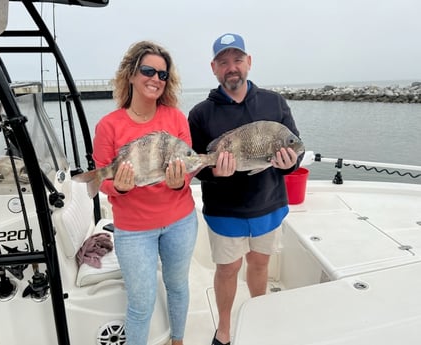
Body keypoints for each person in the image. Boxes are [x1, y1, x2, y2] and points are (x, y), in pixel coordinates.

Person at [188, 33, 302, 345]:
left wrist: (289, 163)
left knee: (260, 263)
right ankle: (224, 329)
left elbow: (297, 149)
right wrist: (216, 172)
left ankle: (258, 313)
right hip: (225, 212)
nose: (232, 67)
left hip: (269, 204)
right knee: (227, 270)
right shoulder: (200, 113)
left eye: (237, 60)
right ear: (214, 68)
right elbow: (198, 165)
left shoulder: (274, 102)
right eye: (223, 62)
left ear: (249, 62)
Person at [92, 40, 198, 345]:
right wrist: (119, 187)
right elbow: (103, 179)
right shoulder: (108, 126)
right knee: (141, 303)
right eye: (148, 71)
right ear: (131, 74)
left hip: (180, 221)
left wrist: (181, 180)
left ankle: (177, 340)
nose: (155, 79)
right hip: (134, 230)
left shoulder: (176, 118)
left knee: (177, 286)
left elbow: (187, 168)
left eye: (162, 75)